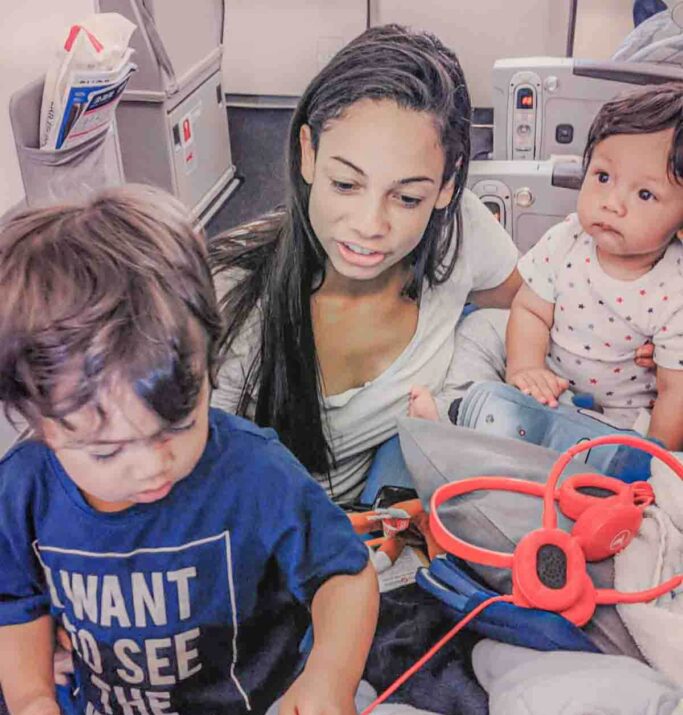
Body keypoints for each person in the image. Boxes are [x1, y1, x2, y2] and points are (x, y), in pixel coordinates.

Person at [0, 186, 378, 715]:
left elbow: (344, 576)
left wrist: (328, 679)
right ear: (39, 421)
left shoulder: (254, 472)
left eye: (179, 421)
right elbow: (16, 604)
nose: (152, 466)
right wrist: (29, 698)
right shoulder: (23, 491)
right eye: (107, 448)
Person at [209, 23, 523, 504]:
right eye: (346, 185)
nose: (369, 225)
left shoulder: (459, 231)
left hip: (384, 523)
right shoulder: (232, 298)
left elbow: (526, 307)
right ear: (308, 154)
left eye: (407, 197)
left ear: (445, 187)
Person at [504, 84, 683, 451]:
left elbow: (674, 390)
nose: (612, 204)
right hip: (547, 391)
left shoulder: (675, 288)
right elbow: (529, 310)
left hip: (620, 421)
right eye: (603, 177)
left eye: (644, 194)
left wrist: (653, 455)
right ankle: (452, 408)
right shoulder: (566, 239)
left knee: (607, 456)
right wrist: (525, 368)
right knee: (479, 329)